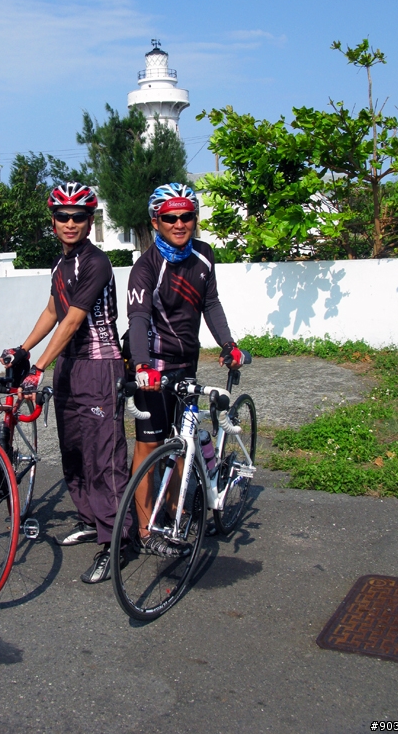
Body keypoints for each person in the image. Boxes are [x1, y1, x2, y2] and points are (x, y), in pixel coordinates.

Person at [1, 182, 130, 584]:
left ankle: (117, 541)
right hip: (70, 368)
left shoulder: (96, 262)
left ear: (90, 221)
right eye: (63, 216)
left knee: (104, 455)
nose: (70, 223)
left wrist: (38, 366)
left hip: (100, 366)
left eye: (78, 217)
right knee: (74, 449)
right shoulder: (61, 265)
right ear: (53, 222)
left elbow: (74, 318)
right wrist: (23, 349)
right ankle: (91, 520)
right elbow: (53, 309)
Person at [126, 182, 242, 554]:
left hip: (186, 364)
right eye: (170, 218)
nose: (180, 224)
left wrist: (228, 344)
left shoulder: (204, 256)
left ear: (195, 218)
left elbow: (211, 305)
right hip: (153, 367)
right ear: (156, 222)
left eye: (187, 216)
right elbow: (139, 318)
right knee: (148, 446)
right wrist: (142, 365)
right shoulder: (146, 268)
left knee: (183, 443)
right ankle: (146, 531)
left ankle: (175, 517)